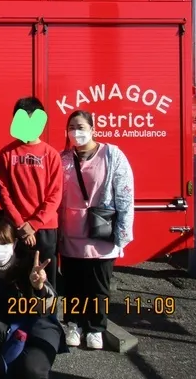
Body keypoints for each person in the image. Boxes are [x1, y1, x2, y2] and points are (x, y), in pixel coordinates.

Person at [59, 110, 134, 350]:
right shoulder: (63, 159)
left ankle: (95, 328)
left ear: (93, 128)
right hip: (71, 234)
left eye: (80, 126)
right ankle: (74, 324)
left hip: (101, 234)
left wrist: (122, 234)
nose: (76, 132)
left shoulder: (112, 155)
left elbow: (125, 195)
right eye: (71, 127)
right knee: (72, 286)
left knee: (98, 288)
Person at [0, 216, 66, 379]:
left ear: (15, 244)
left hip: (39, 326)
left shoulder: (30, 264)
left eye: (4, 244)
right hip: (7, 327)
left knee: (32, 370)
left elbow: (50, 308)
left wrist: (39, 288)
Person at [0, 97, 63, 289]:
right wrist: (21, 225)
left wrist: (33, 224)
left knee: (45, 278)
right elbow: (3, 192)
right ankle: (20, 317)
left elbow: (55, 194)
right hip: (16, 229)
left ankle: (48, 318)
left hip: (45, 228)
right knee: (18, 278)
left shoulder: (51, 155)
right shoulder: (6, 154)